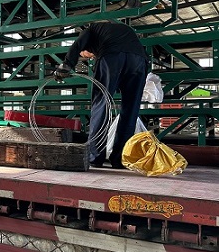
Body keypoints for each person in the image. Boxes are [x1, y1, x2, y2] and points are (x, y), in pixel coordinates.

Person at [53, 21, 149, 168]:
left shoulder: (92, 29)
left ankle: (95, 157)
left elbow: (78, 44)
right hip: (139, 61)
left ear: (87, 46)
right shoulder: (119, 30)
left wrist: (66, 65)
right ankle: (120, 159)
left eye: (85, 55)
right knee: (130, 110)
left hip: (112, 56)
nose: (90, 57)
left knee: (101, 105)